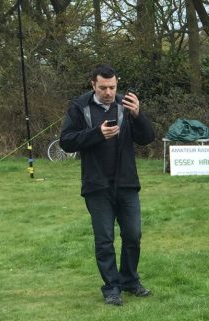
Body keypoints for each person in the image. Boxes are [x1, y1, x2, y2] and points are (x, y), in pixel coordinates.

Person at [60, 64, 155, 305]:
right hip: (97, 185)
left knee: (133, 235)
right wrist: (97, 134)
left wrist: (138, 115)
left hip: (126, 183)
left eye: (112, 87)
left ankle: (130, 280)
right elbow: (66, 141)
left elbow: (147, 138)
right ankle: (112, 287)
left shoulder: (126, 105)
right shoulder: (79, 107)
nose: (109, 92)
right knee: (104, 240)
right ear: (93, 85)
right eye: (103, 88)